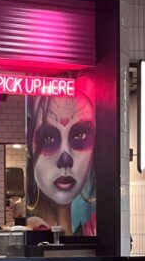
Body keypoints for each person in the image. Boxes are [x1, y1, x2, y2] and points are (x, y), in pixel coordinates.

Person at [26, 80, 96, 236]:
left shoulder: (93, 227)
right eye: (48, 138)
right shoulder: (35, 228)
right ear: (30, 147)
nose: (65, 160)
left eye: (80, 135)